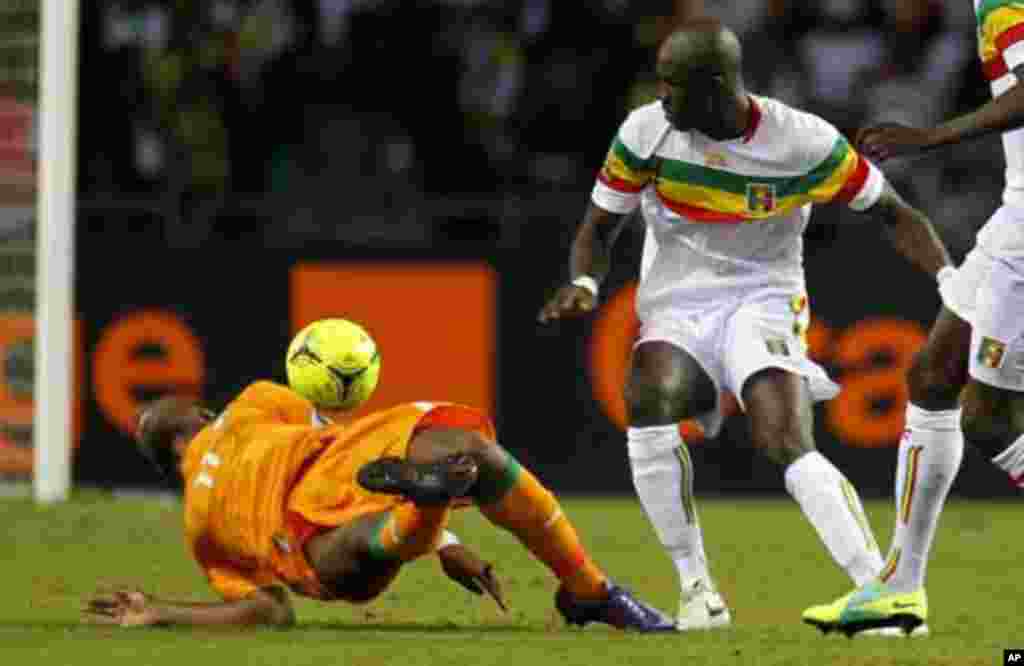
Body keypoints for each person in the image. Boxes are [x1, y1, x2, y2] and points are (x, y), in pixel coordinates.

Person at [538, 19, 952, 631]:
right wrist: (585, 283)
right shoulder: (645, 132)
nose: (661, 96)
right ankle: (697, 590)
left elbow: (894, 213)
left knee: (783, 437)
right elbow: (599, 227)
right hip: (678, 301)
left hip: (764, 297)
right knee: (646, 396)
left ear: (713, 86)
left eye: (672, 84)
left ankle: (879, 591)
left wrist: (950, 282)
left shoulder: (803, 142)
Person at [82, 381, 674, 631]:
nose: (146, 415)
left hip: (335, 465)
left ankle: (588, 589)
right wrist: (162, 613)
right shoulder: (199, 526)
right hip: (306, 542)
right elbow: (271, 610)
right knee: (350, 546)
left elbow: (333, 434)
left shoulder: (256, 403)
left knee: (471, 451)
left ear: (201, 416)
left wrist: (447, 545)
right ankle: (426, 503)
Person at [803, 0, 1024, 636]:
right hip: (1014, 212)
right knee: (932, 376)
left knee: (987, 418)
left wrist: (929, 138)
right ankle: (899, 591)